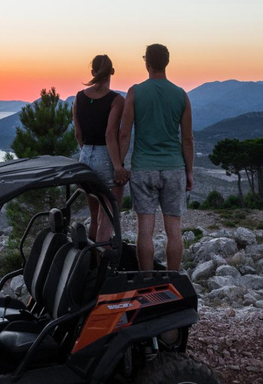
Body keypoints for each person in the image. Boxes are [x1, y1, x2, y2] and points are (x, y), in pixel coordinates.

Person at [118, 43, 194, 271]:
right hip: (174, 168)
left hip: (143, 169)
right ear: (167, 63)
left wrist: (119, 164)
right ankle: (173, 279)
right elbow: (187, 139)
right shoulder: (181, 95)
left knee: (145, 230)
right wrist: (189, 171)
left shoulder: (135, 92)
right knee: (174, 230)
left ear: (147, 63)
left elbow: (124, 134)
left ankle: (147, 280)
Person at [73, 54, 129, 242]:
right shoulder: (116, 100)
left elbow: (78, 134)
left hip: (85, 157)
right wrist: (118, 167)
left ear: (92, 72)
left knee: (94, 217)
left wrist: (87, 151)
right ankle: (103, 258)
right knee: (107, 217)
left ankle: (91, 257)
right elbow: (110, 134)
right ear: (112, 71)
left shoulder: (79, 97)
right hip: (105, 157)